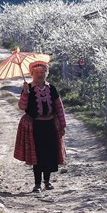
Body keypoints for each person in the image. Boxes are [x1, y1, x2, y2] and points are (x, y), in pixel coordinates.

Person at [13, 60, 66, 192]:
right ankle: (37, 184)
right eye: (37, 72)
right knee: (37, 155)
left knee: (49, 154)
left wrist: (62, 125)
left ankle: (47, 182)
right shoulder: (28, 89)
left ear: (46, 74)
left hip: (50, 125)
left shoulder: (51, 88)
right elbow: (22, 107)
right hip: (35, 126)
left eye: (42, 72)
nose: (40, 75)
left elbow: (59, 107)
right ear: (31, 74)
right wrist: (25, 93)